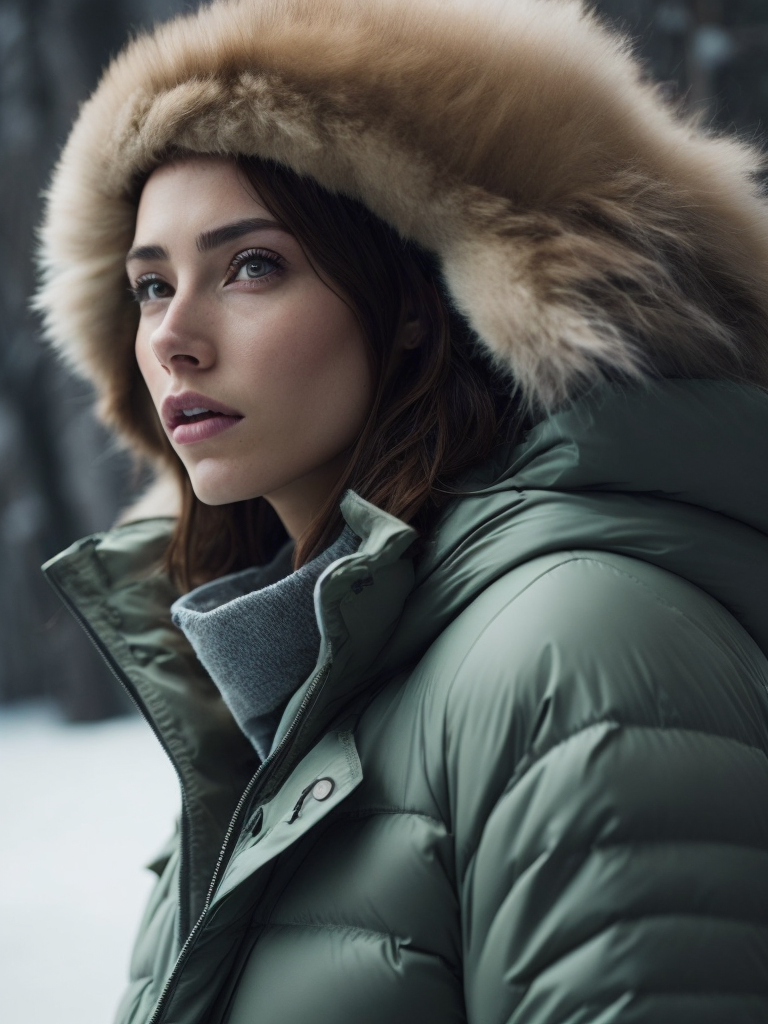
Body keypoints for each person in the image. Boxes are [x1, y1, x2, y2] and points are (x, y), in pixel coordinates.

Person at [35, 0, 768, 1021]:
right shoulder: (278, 695)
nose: (172, 337)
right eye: (152, 284)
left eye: (252, 265)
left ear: (415, 301)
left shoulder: (577, 651)